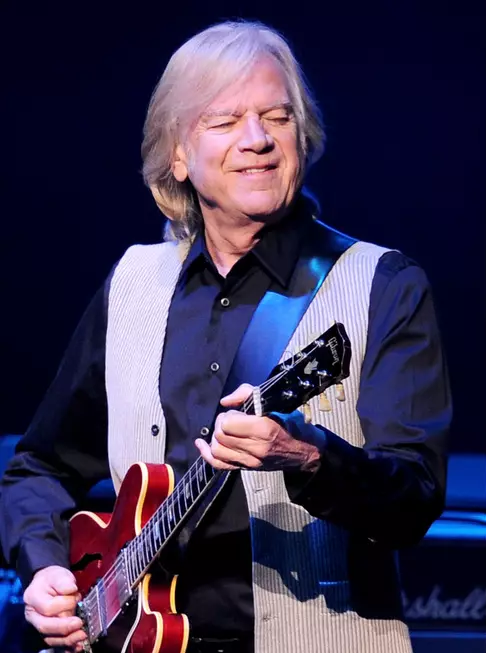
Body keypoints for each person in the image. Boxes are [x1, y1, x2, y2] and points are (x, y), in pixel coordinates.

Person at [0, 20, 450, 653]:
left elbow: (416, 497)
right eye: (225, 121)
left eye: (277, 116)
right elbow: (39, 467)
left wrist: (308, 455)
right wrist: (45, 567)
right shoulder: (133, 283)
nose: (258, 139)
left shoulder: (381, 284)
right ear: (178, 155)